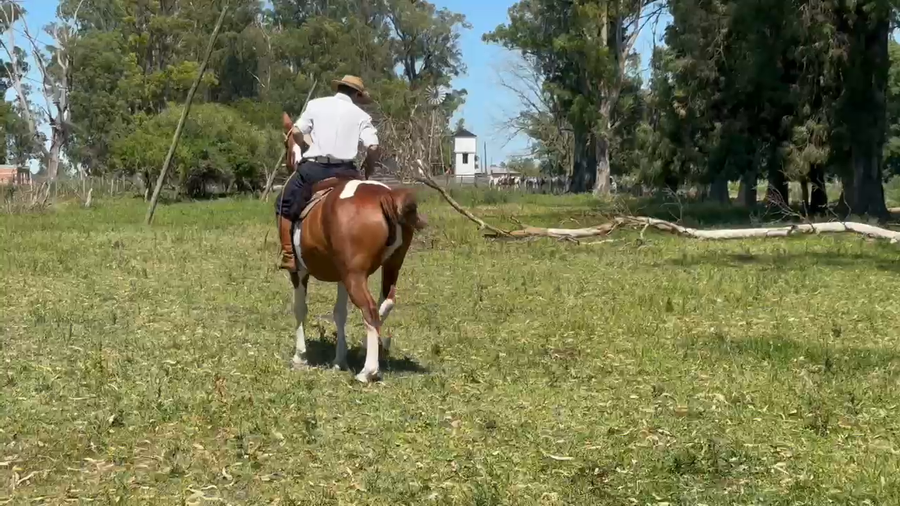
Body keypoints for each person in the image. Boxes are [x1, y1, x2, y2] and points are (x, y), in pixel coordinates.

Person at [276, 75, 381, 272]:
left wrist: (305, 146)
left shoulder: (316, 105)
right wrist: (369, 163)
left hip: (315, 169)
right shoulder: (361, 116)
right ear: (357, 95)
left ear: (339, 88)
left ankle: (289, 254)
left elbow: (297, 131)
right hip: (347, 172)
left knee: (284, 202)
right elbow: (373, 146)